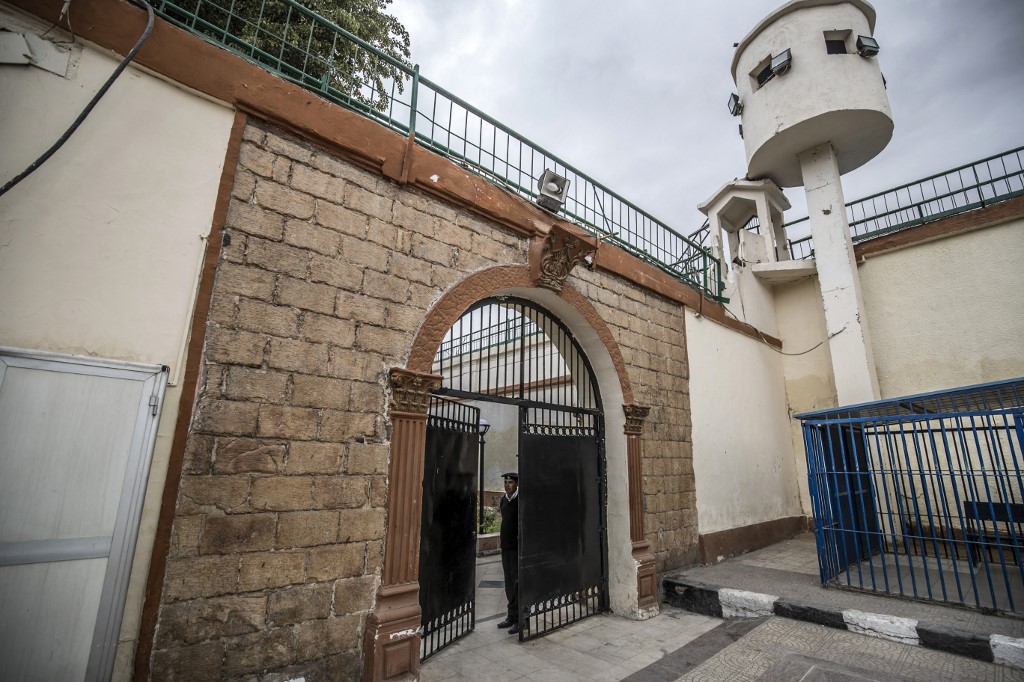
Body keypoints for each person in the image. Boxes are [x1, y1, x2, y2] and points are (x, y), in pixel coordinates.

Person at [496, 471, 520, 634]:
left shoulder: (521, 500)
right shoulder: (504, 500)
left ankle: (520, 620)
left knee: (518, 583)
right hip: (506, 548)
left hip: (517, 548)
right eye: (505, 482)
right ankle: (511, 616)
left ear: (517, 484)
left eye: (510, 482)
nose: (507, 485)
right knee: (509, 584)